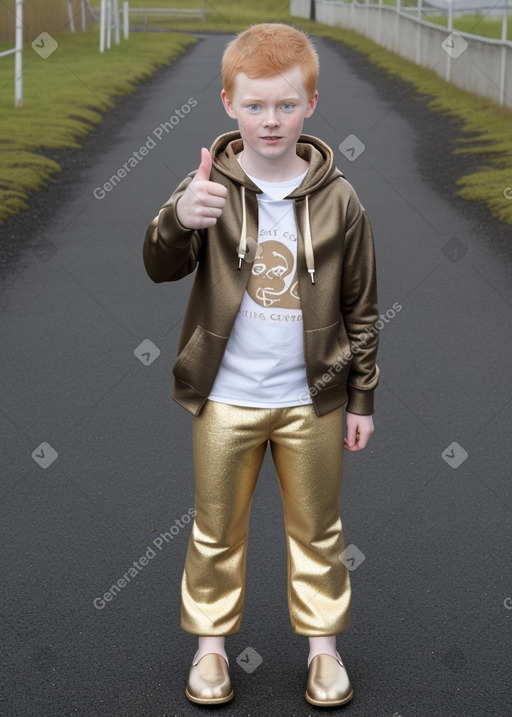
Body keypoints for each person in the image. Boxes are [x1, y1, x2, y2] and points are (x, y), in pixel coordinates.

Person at [143, 22, 379, 708]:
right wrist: (179, 217)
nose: (269, 121)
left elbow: (363, 307)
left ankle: (324, 653)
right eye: (254, 105)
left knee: (319, 529)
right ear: (227, 103)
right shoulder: (208, 186)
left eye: (284, 104)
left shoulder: (342, 201)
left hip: (314, 399)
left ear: (309, 102)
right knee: (215, 530)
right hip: (226, 398)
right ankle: (211, 651)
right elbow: (157, 264)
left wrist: (360, 398)